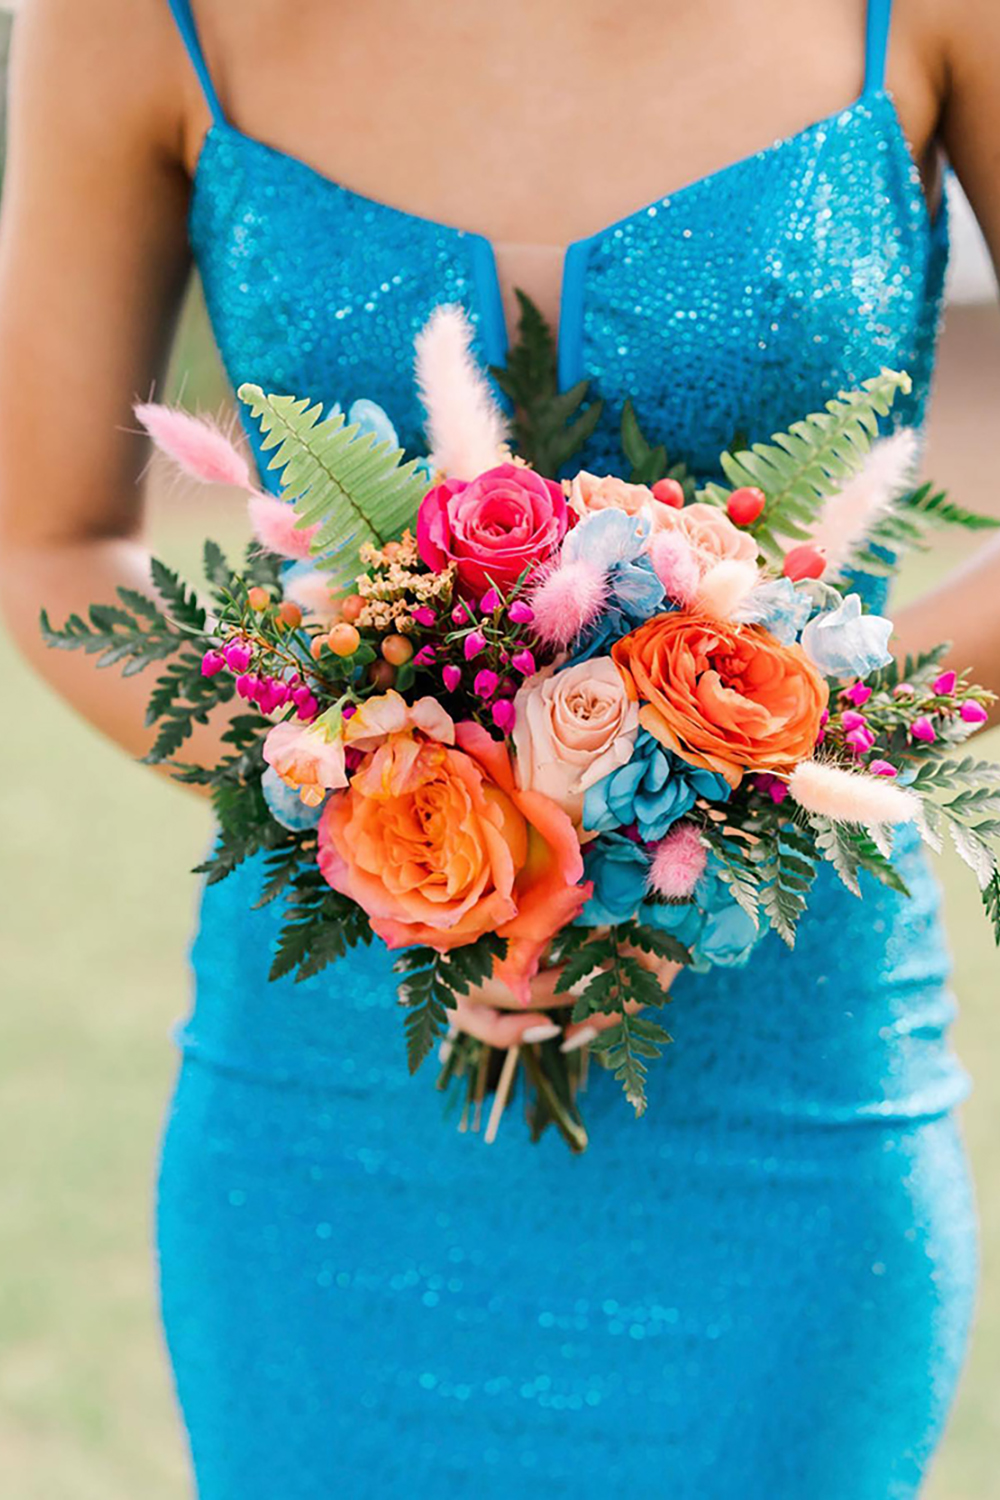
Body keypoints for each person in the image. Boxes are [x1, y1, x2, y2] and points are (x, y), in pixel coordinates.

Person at [1, 1, 998, 1494]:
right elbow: (49, 537)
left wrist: (740, 758)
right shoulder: (131, 20)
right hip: (337, 1122)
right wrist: (400, 799)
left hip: (787, 1103)